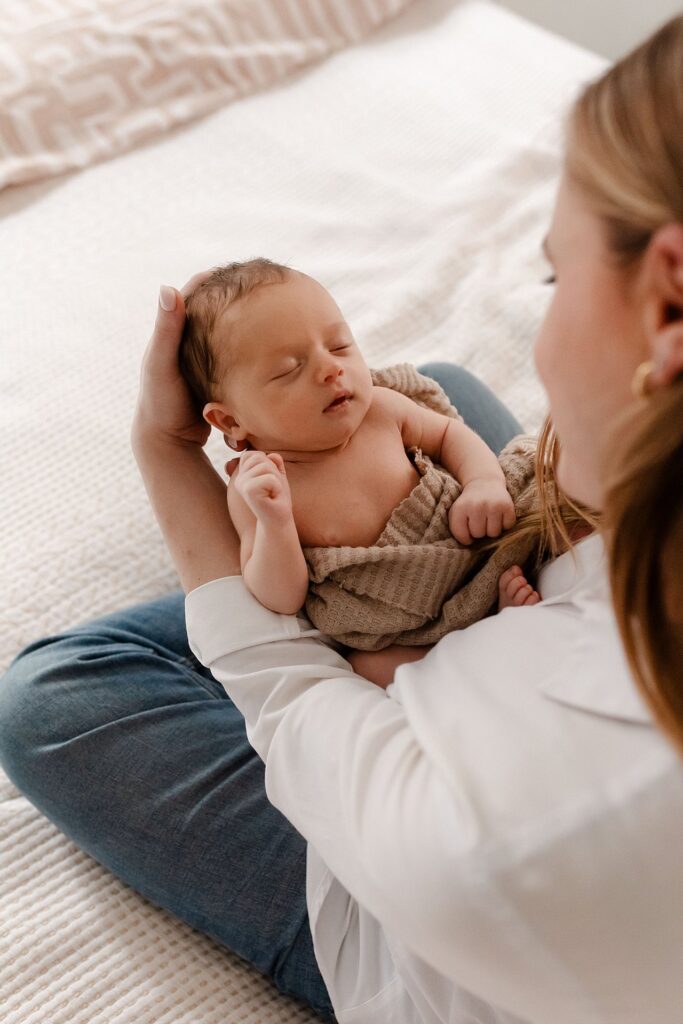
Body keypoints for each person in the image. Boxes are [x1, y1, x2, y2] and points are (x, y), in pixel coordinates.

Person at [1, 13, 683, 1024]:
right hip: (495, 601)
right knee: (446, 382)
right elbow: (466, 443)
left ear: (667, 306)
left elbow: (290, 687)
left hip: (412, 889)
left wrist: (165, 452)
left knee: (53, 695)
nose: (538, 338)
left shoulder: (507, 839)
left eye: (552, 274)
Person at [177, 259, 541, 649]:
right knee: (370, 668)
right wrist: (275, 523)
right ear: (230, 421)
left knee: (537, 496)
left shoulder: (381, 410)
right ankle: (489, 640)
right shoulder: (260, 488)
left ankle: (493, 614)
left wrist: (482, 482)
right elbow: (282, 598)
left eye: (339, 345)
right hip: (397, 625)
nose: (331, 369)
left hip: (472, 549)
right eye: (288, 370)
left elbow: (451, 434)